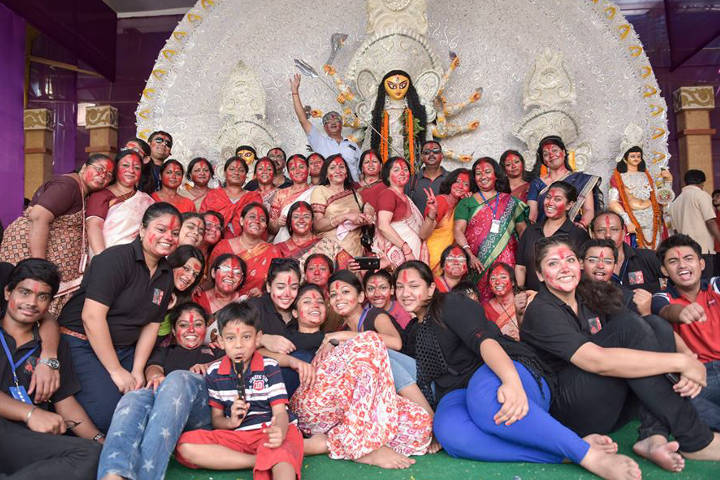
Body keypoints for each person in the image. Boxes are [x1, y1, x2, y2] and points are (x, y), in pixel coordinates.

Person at [394, 261, 640, 479]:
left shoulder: (450, 303)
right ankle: (563, 454)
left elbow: (485, 341)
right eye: (400, 287)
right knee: (450, 434)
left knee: (485, 399)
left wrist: (510, 380)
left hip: (498, 367)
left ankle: (589, 456)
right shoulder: (413, 331)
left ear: (431, 288)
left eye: (414, 286)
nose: (405, 293)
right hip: (455, 394)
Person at [520, 237, 720, 472]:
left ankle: (653, 436)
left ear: (579, 265)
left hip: (611, 406)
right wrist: (680, 362)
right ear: (540, 274)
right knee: (628, 327)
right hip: (570, 413)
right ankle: (695, 439)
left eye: (570, 260)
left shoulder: (589, 293)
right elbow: (597, 361)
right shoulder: (541, 310)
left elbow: (651, 320)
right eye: (553, 263)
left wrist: (689, 358)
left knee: (656, 324)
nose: (565, 268)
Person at [56, 202, 179, 432]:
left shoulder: (166, 274)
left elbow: (152, 325)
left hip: (124, 349)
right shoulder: (115, 259)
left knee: (152, 402)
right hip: (82, 343)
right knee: (113, 416)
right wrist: (116, 371)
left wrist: (137, 370)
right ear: (142, 230)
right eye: (161, 229)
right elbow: (91, 317)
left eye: (175, 233)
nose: (169, 237)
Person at [289, 299, 433, 468]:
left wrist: (336, 338)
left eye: (320, 302)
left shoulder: (337, 336)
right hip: (312, 404)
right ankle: (361, 446)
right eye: (306, 301)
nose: (315, 305)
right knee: (370, 340)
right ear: (294, 312)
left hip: (345, 412)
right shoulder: (286, 336)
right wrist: (280, 351)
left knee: (420, 423)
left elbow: (388, 348)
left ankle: (327, 443)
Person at [175, 302, 304, 479]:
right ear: (221, 341)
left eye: (246, 337)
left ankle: (274, 455)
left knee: (282, 453)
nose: (238, 345)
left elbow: (280, 413)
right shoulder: (214, 373)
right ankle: (259, 459)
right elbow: (217, 420)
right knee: (185, 446)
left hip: (268, 431)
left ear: (258, 338)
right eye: (230, 338)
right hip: (238, 437)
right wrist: (231, 422)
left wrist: (279, 432)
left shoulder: (269, 366)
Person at [0, 259, 103, 480]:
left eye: (42, 296)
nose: (32, 302)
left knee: (93, 455)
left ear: (50, 303)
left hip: (29, 440)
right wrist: (31, 413)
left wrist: (98, 439)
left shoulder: (53, 346)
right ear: (8, 292)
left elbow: (64, 401)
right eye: (24, 292)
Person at [98, 303, 224, 480]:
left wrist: (210, 366)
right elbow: (154, 368)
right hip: (164, 410)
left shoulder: (215, 351)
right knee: (135, 396)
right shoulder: (166, 351)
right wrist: (156, 376)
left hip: (199, 413)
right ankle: (113, 474)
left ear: (206, 327)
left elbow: (236, 360)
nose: (191, 330)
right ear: (173, 330)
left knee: (178, 378)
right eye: (183, 325)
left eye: (198, 324)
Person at [1, 153, 114, 318]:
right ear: (84, 167)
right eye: (99, 169)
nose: (103, 175)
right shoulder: (68, 186)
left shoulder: (82, 190)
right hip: (28, 252)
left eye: (108, 175)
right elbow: (39, 216)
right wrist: (38, 267)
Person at [652, 234, 720, 431]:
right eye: (673, 261)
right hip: (698, 374)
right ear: (664, 270)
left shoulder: (716, 285)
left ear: (701, 263)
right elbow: (663, 309)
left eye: (689, 258)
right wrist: (681, 311)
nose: (682, 265)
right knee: (675, 402)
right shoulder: (662, 296)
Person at [454, 157, 527, 301]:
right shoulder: (466, 202)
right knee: (476, 301)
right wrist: (470, 255)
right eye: (478, 173)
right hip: (476, 263)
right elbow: (458, 230)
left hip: (507, 264)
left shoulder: (511, 202)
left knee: (506, 301)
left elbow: (523, 232)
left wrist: (524, 262)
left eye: (487, 172)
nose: (483, 176)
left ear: (496, 175)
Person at [516, 181, 589, 291]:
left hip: (563, 299)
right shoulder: (531, 231)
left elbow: (583, 272)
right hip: (531, 298)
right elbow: (521, 267)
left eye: (557, 199)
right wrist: (520, 292)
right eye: (548, 197)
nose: (550, 203)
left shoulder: (578, 235)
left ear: (569, 205)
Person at [291, 74, 360, 180]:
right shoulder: (319, 141)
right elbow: (303, 120)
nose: (333, 122)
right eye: (328, 121)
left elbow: (361, 171)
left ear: (341, 124)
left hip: (353, 188)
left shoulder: (353, 145)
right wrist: (295, 92)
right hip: (329, 187)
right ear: (324, 127)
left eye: (336, 120)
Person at [86, 150, 155, 256]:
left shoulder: (147, 200)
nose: (131, 170)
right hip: (105, 256)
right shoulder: (101, 195)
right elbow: (93, 226)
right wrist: (101, 258)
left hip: (135, 258)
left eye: (136, 167)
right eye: (125, 165)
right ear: (116, 169)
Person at [209, 203, 281, 297]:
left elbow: (277, 286)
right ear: (242, 221)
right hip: (219, 302)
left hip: (255, 304)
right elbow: (210, 281)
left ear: (265, 226)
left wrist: (263, 294)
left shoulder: (273, 252)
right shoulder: (223, 247)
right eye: (252, 217)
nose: (257, 221)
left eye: (262, 219)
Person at [527, 135, 601, 227]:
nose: (551, 155)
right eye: (546, 154)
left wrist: (582, 225)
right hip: (544, 231)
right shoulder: (537, 184)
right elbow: (532, 215)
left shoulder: (581, 180)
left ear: (564, 152)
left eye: (555, 150)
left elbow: (589, 210)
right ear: (543, 161)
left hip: (574, 229)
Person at [310, 154, 374, 257]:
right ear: (326, 174)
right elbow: (317, 225)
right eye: (332, 168)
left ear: (346, 173)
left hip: (355, 250)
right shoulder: (320, 190)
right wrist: (344, 217)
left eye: (341, 167)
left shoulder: (355, 194)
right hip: (331, 250)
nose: (338, 170)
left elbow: (366, 223)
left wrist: (367, 216)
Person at [609, 146, 670, 249]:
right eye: (632, 156)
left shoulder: (647, 176)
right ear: (625, 158)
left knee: (656, 249)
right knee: (637, 251)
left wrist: (668, 182)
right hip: (633, 218)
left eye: (638, 156)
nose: (636, 158)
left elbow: (660, 199)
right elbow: (613, 203)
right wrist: (627, 222)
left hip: (652, 218)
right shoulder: (619, 177)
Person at [589, 211, 664, 292]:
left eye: (614, 229)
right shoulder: (588, 268)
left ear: (623, 232)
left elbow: (672, 280)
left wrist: (659, 297)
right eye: (601, 230)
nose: (608, 235)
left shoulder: (648, 257)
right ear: (592, 235)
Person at [375, 156, 429, 267]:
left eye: (405, 169)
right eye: (396, 170)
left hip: (412, 254)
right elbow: (383, 226)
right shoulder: (388, 194)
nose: (402, 173)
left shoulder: (406, 197)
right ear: (387, 176)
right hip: (400, 255)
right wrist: (406, 248)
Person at [669, 169, 720, 279]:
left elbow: (675, 231)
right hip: (703, 250)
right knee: (705, 282)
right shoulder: (701, 195)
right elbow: (710, 221)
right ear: (702, 183)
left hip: (685, 252)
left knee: (692, 281)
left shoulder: (675, 202)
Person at [420, 168, 471, 274]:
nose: (460, 186)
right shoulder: (441, 201)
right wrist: (432, 212)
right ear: (451, 183)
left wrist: (468, 202)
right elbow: (423, 234)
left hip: (448, 259)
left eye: (466, 184)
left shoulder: (461, 205)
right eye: (457, 181)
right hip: (432, 258)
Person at [275, 202, 352, 272]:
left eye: (306, 217)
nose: (301, 220)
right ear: (289, 221)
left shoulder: (329, 245)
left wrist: (351, 268)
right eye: (296, 217)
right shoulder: (279, 249)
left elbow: (348, 268)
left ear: (312, 221)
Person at [200, 156, 263, 238]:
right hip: (213, 241)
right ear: (224, 173)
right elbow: (202, 222)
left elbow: (260, 224)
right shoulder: (213, 195)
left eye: (241, 170)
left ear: (246, 175)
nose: (236, 173)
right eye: (232, 169)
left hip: (246, 242)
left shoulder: (254, 197)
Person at [193, 253, 247, 344]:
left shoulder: (245, 302)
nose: (230, 275)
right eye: (225, 269)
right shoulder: (197, 298)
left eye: (237, 273)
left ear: (241, 280)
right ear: (213, 273)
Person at [269, 154, 314, 243]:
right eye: (293, 169)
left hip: (310, 241)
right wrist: (278, 223)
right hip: (284, 242)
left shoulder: (317, 191)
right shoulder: (280, 194)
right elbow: (271, 228)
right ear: (289, 174)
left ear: (309, 170)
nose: (297, 171)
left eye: (301, 167)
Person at [406, 140, 448, 214]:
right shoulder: (411, 181)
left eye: (435, 151)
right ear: (422, 157)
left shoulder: (452, 178)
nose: (431, 154)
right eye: (426, 152)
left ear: (442, 155)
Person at [483, 262, 522, 340]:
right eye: (493, 278)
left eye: (503, 277)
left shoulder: (524, 301)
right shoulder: (485, 308)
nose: (497, 282)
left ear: (513, 282)